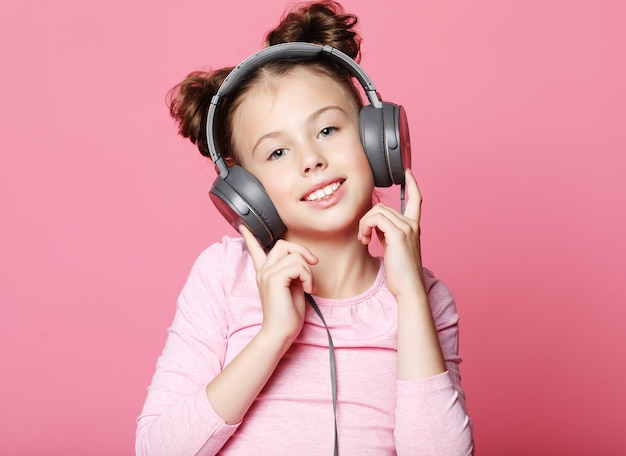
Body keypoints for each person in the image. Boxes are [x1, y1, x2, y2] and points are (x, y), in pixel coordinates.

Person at [136, 1, 473, 455]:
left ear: (376, 141)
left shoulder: (426, 298)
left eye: (329, 130)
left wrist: (409, 295)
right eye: (277, 153)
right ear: (246, 191)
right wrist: (274, 334)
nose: (311, 159)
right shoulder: (223, 274)